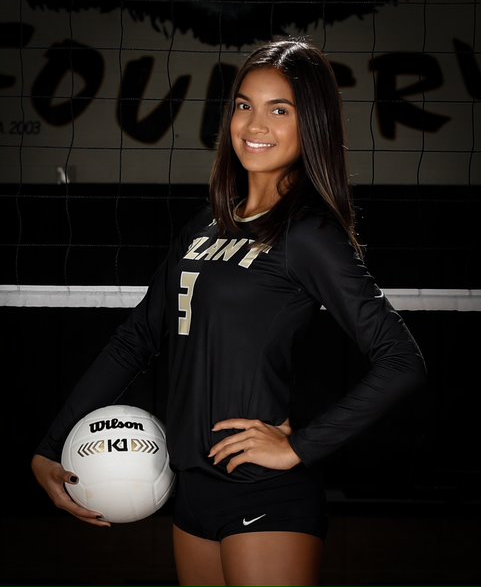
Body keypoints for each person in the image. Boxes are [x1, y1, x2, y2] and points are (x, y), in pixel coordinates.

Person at [31, 37, 426, 586]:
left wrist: (300, 446)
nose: (254, 124)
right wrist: (51, 446)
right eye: (244, 105)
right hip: (193, 492)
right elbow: (136, 339)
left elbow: (401, 359)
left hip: (266, 493)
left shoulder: (308, 233)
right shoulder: (203, 227)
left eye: (279, 109)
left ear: (310, 123)